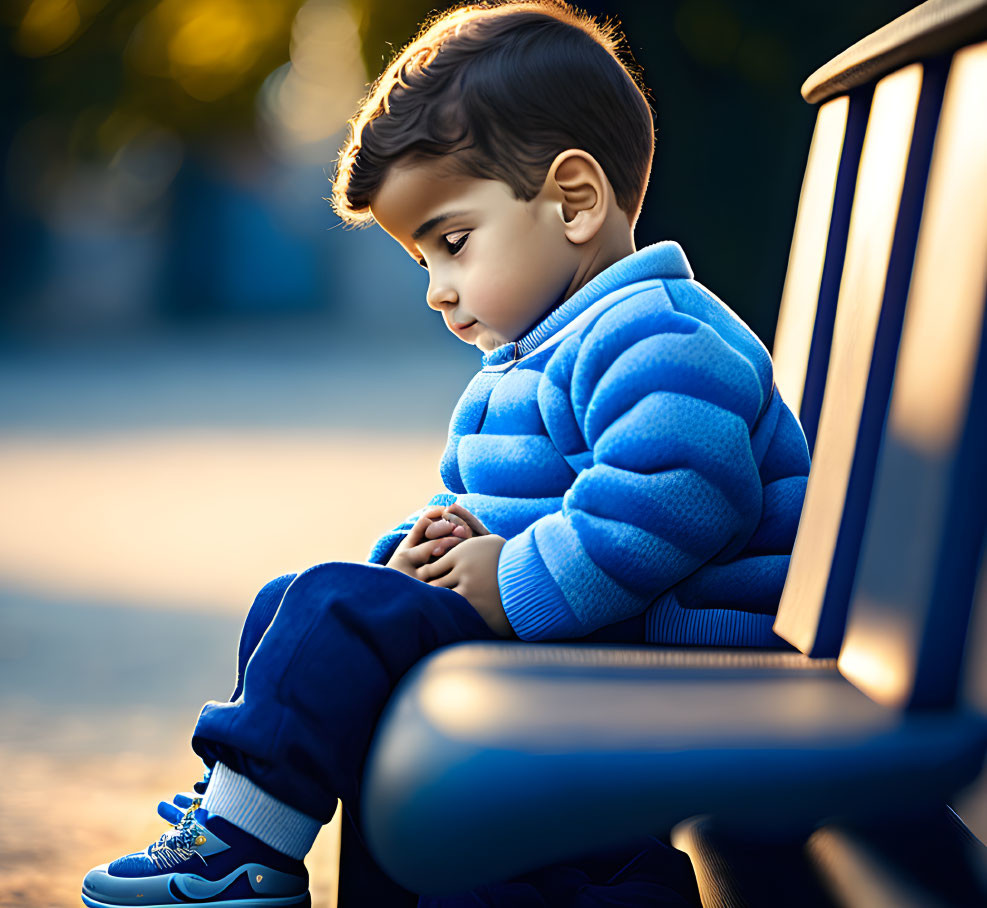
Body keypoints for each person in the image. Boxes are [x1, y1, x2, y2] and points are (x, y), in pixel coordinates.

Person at [80, 2, 811, 905]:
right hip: (587, 634)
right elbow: (499, 510)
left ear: (572, 200)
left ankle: (243, 846)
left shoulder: (657, 334)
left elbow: (680, 495)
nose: (437, 291)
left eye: (453, 244)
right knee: (301, 606)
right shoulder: (534, 353)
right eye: (424, 261)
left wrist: (508, 578)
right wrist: (428, 551)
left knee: (337, 610)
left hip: (673, 656)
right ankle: (297, 840)